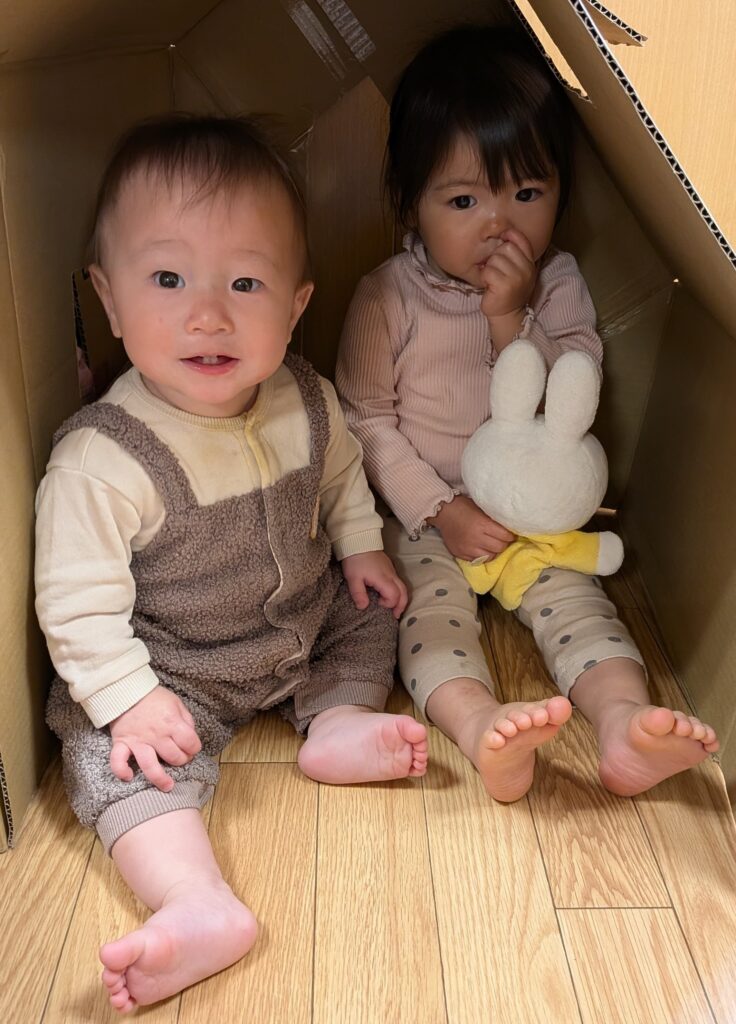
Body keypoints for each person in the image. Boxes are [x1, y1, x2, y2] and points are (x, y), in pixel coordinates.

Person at [35, 114, 428, 1013]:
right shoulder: (103, 459)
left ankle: (336, 723)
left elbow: (343, 478)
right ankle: (195, 898)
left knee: (374, 609)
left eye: (246, 283)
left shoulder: (307, 398)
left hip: (302, 623)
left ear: (296, 304)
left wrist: (362, 546)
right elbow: (76, 605)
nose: (208, 314)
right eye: (167, 278)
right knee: (105, 751)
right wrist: (129, 698)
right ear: (108, 298)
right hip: (175, 671)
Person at [336, 24, 718, 805]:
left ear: (560, 193)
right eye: (464, 200)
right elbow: (365, 420)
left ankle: (624, 722)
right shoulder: (386, 297)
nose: (499, 224)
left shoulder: (559, 282)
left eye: (528, 194)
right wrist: (441, 510)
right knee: (425, 619)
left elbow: (571, 393)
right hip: (424, 517)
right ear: (411, 202)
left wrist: (510, 317)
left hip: (532, 517)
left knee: (581, 605)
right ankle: (481, 727)